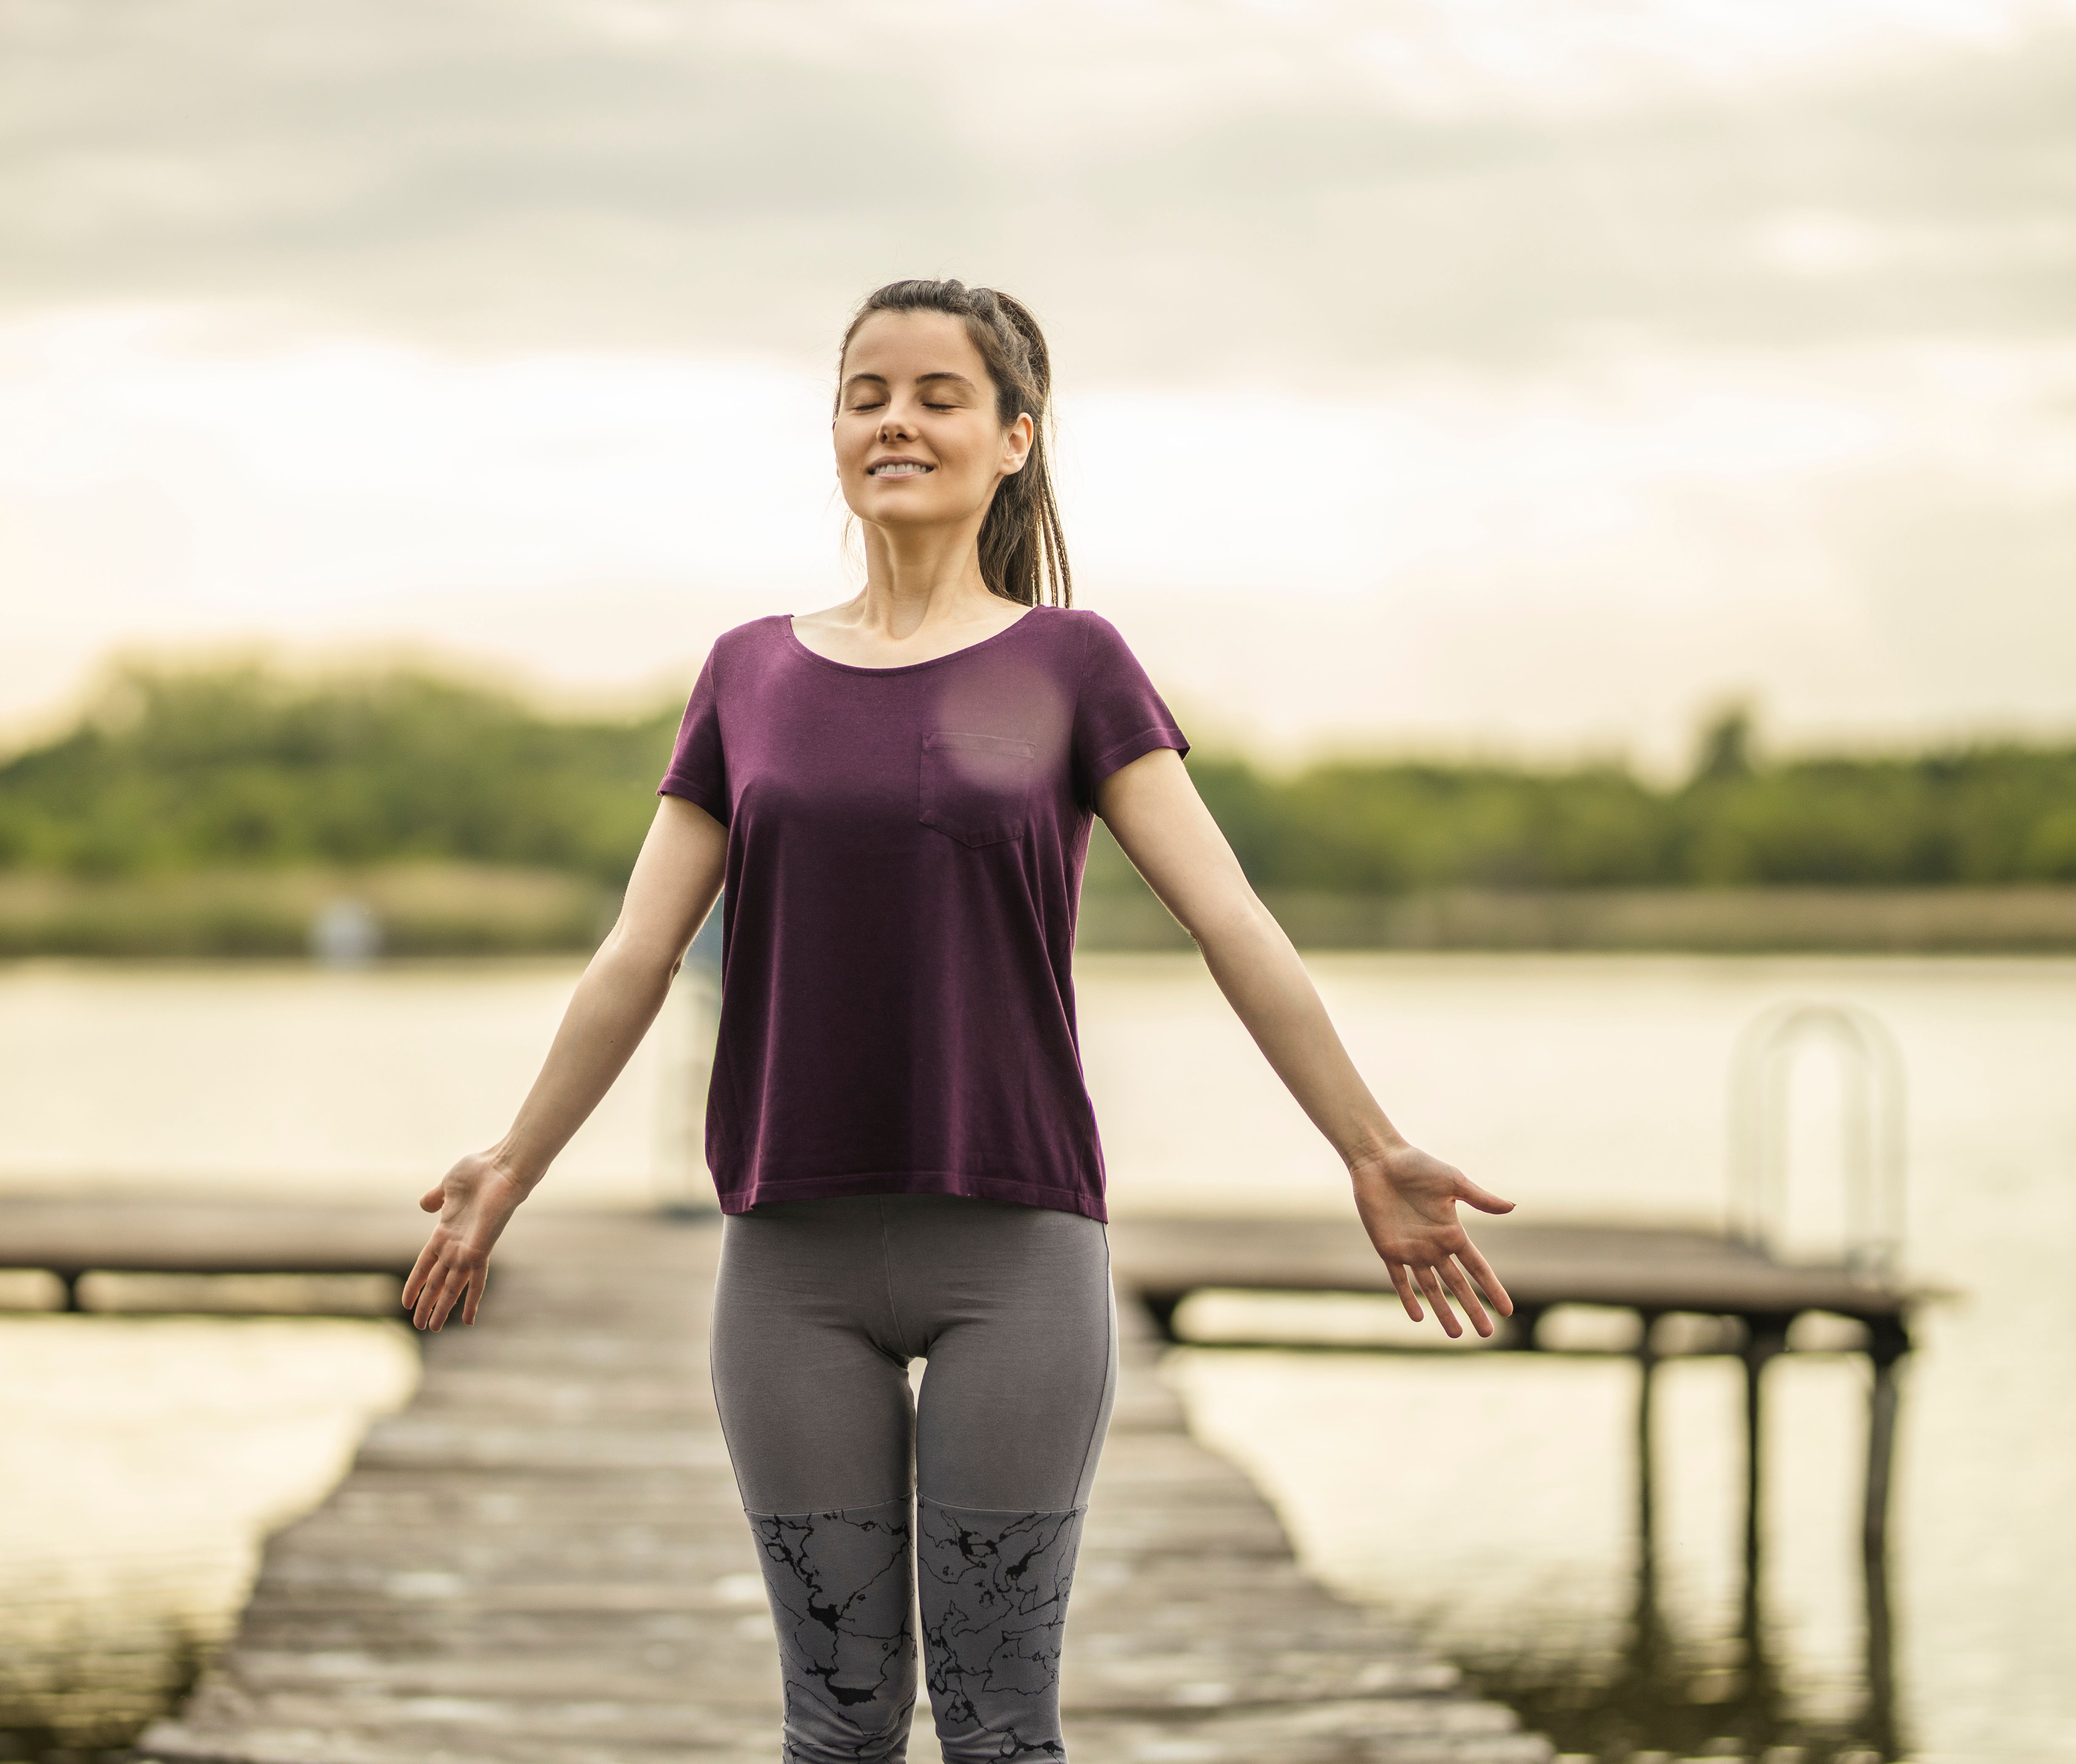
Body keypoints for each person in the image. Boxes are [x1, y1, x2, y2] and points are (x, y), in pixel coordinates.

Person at [399, 278, 1515, 1764]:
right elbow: (634, 954)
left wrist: (1367, 1147)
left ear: (1012, 439)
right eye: (865, 395)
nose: (896, 423)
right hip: (789, 1257)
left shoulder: (1072, 664)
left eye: (938, 396)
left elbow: (1232, 922)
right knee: (836, 1725)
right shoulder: (748, 672)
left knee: (998, 1727)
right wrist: (511, 1161)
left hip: (1017, 1248)